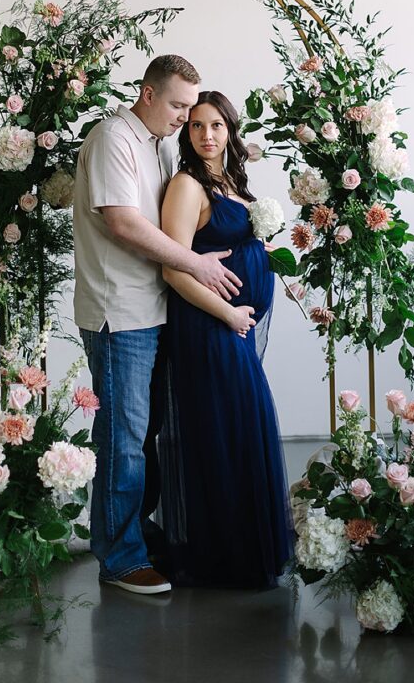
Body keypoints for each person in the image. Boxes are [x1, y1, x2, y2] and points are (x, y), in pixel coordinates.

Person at [73, 57, 243, 595]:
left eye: (192, 108)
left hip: (156, 309)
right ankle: (119, 559)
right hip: (117, 313)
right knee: (122, 439)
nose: (185, 118)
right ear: (147, 94)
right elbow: (123, 223)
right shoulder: (113, 139)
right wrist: (196, 265)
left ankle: (133, 532)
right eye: (177, 106)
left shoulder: (159, 142)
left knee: (145, 435)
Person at [159, 90, 295, 588]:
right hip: (209, 325)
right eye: (196, 126)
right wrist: (229, 314)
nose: (206, 135)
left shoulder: (231, 181)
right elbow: (174, 269)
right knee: (224, 430)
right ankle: (223, 557)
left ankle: (244, 550)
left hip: (234, 324)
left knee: (241, 427)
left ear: (229, 129)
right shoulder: (187, 185)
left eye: (215, 125)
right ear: (186, 133)